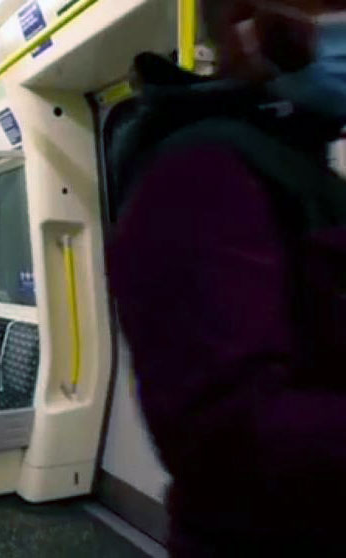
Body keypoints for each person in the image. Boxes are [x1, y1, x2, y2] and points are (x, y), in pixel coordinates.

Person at [109, 1, 346, 556]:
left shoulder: (297, 161)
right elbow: (228, 437)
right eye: (330, 3)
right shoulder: (198, 177)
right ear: (245, 23)